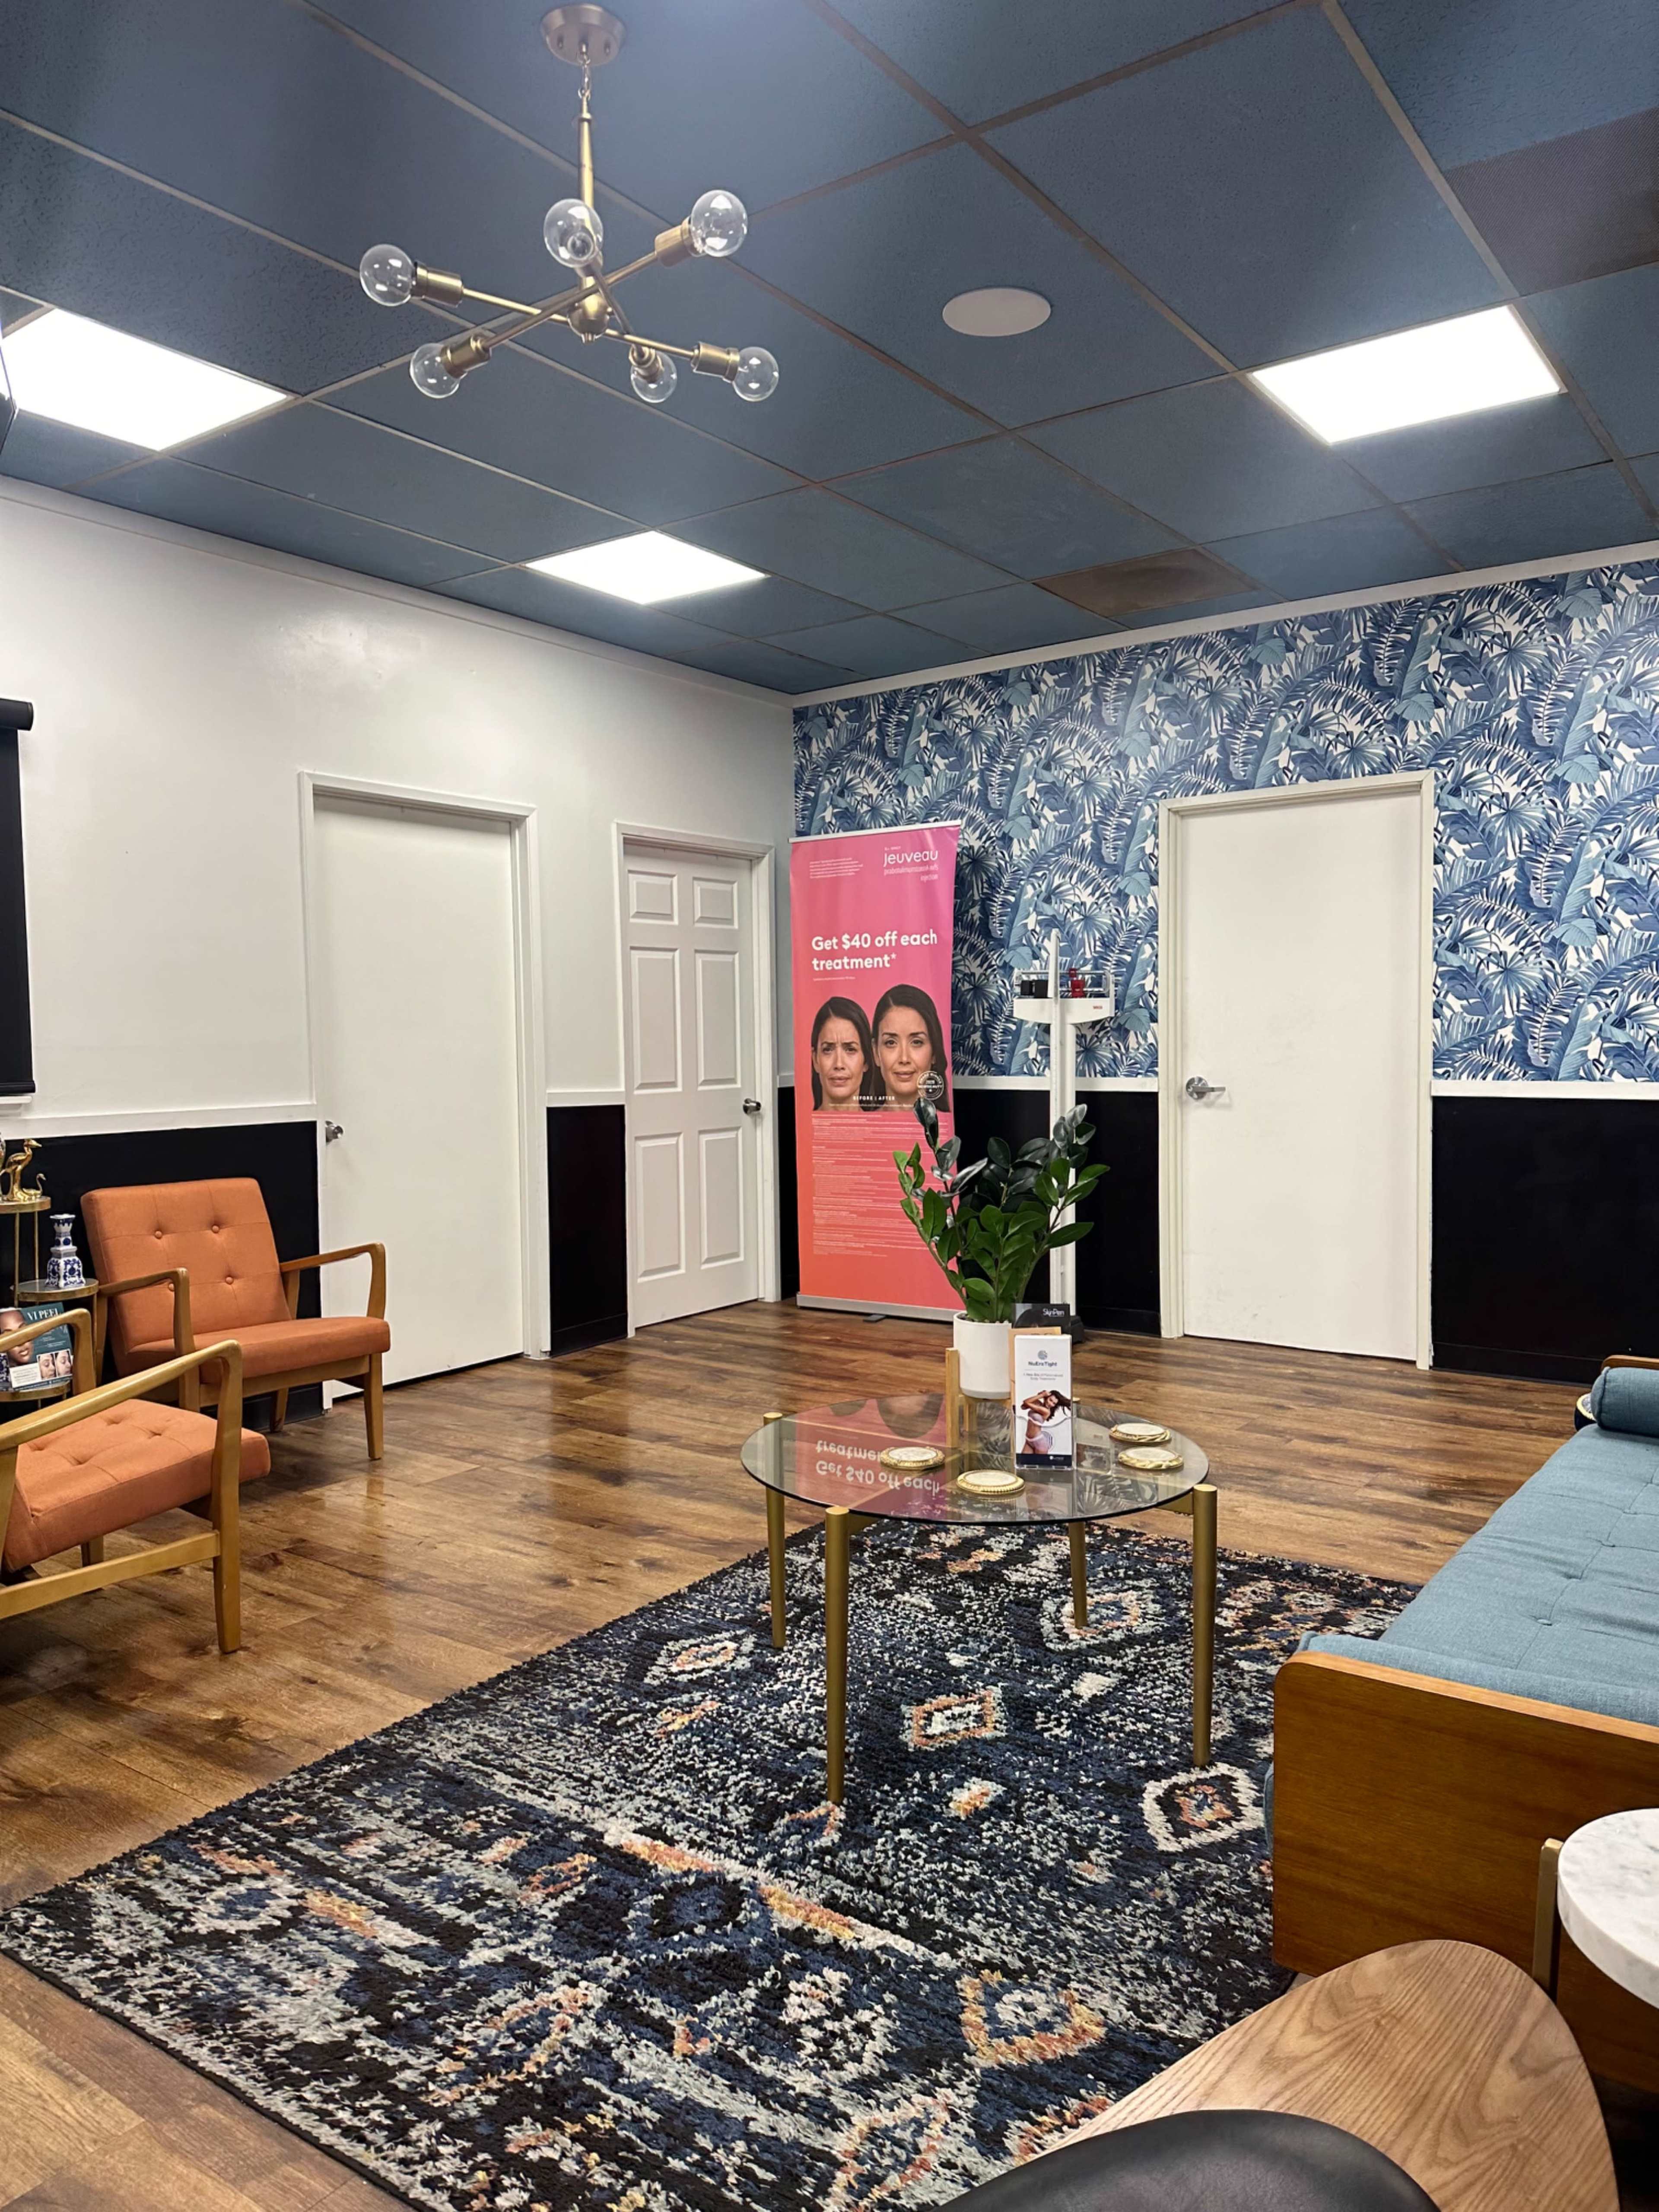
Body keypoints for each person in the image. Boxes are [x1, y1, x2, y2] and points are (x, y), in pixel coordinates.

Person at [867, 983, 951, 1111]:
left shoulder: (948, 1128)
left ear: (934, 1052)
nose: (904, 1058)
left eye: (917, 1042)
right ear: (876, 1053)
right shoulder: (859, 1127)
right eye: (891, 1043)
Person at [809, 996, 877, 1112]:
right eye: (828, 1050)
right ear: (816, 1060)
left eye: (850, 1049)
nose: (839, 1064)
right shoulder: (802, 1127)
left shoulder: (883, 1128)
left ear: (866, 1061)